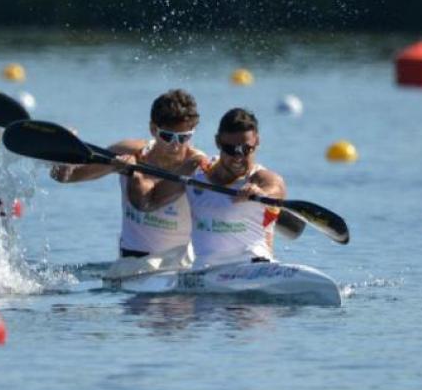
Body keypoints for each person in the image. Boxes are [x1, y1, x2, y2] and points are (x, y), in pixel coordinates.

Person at [50, 89, 206, 279]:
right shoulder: (128, 152)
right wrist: (67, 153)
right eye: (167, 136)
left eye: (183, 137)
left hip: (179, 264)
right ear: (153, 129)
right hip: (132, 265)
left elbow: (148, 202)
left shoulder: (198, 164)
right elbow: (65, 177)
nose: (175, 145)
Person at [123, 108, 284, 270]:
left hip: (255, 267)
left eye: (246, 149)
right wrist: (133, 172)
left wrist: (261, 193)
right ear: (217, 142)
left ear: (257, 142)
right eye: (230, 149)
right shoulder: (195, 171)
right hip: (205, 272)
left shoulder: (261, 178)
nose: (238, 157)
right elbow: (147, 202)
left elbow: (275, 188)